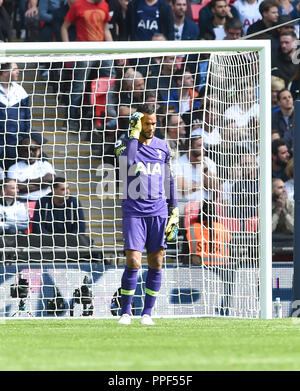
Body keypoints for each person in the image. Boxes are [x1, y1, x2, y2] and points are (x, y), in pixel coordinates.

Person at [114, 103, 179, 325]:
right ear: (137, 123)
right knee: (133, 260)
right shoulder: (124, 144)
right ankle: (125, 312)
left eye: (154, 123)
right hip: (134, 211)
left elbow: (169, 179)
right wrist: (132, 135)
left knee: (157, 261)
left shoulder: (163, 147)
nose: (151, 127)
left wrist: (175, 208)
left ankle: (148, 313)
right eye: (147, 123)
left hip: (158, 211)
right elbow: (129, 163)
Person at [61, 0, 113, 133]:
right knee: (78, 86)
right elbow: (64, 27)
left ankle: (109, 119)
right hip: (83, 51)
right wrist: (69, 50)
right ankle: (71, 121)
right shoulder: (78, 5)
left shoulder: (104, 5)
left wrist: (113, 50)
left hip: (102, 51)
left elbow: (105, 29)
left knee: (111, 81)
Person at [31, 177, 87, 243]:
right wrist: (52, 240)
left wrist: (69, 239)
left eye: (68, 188)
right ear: (54, 191)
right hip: (47, 241)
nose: (67, 192)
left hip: (70, 241)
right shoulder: (42, 202)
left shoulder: (74, 202)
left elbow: (81, 227)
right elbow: (37, 227)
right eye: (63, 189)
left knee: (87, 241)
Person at [7, 133, 56, 201]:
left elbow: (51, 180)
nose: (29, 153)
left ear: (39, 150)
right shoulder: (13, 168)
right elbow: (17, 188)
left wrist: (26, 182)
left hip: (45, 201)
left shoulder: (45, 165)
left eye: (33, 149)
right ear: (20, 151)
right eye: (25, 150)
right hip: (23, 202)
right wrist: (43, 184)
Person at [0, 62, 31, 170]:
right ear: (4, 72)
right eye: (14, 69)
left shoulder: (20, 91)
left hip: (16, 142)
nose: (18, 72)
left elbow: (27, 116)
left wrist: (25, 136)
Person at [186, 200, 231, 266]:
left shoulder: (192, 228)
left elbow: (185, 250)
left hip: (198, 267)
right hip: (221, 266)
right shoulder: (222, 228)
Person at [272, 88, 294, 152]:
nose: (288, 99)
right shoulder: (274, 118)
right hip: (282, 152)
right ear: (279, 102)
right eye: (284, 98)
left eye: (289, 97)